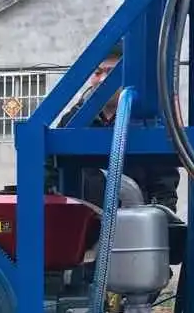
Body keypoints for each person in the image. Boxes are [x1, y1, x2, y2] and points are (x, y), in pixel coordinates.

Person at [52, 48, 182, 210]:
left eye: (111, 73)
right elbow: (50, 172)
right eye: (97, 72)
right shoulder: (72, 121)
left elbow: (164, 189)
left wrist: (158, 226)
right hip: (81, 226)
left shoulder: (149, 123)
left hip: (133, 226)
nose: (102, 79)